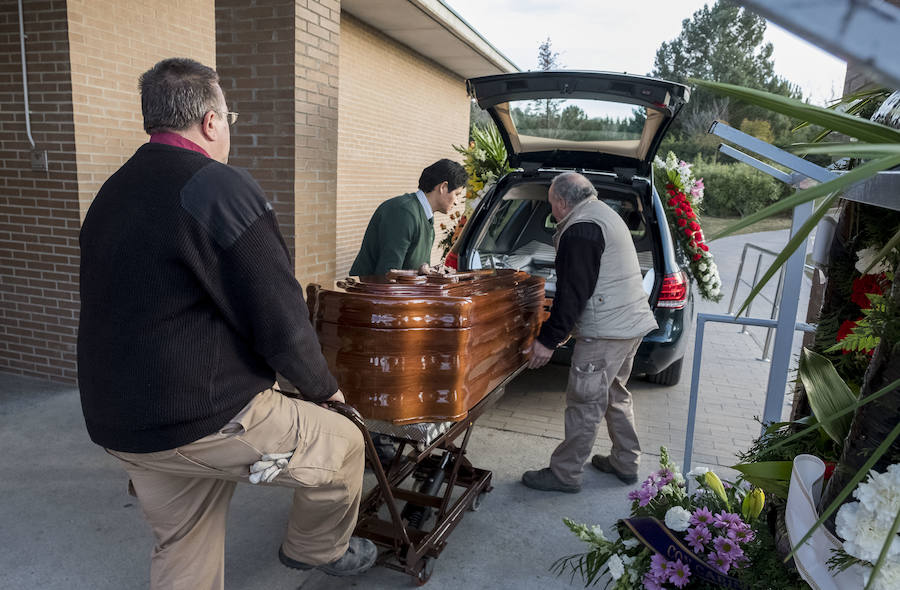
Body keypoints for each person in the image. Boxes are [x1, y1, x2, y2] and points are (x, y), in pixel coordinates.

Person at [77, 58, 376, 589]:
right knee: (346, 444)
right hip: (202, 414)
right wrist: (324, 393)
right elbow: (279, 316)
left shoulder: (112, 192)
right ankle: (317, 549)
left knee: (184, 539)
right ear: (212, 122)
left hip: (119, 420)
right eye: (229, 117)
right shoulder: (217, 186)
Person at [521, 172, 658, 493]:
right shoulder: (602, 214)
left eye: (551, 203)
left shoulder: (580, 229)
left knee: (585, 400)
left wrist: (548, 339)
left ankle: (565, 473)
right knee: (614, 394)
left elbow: (573, 292)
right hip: (629, 325)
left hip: (606, 331)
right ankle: (625, 462)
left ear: (562, 201)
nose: (552, 210)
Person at [349, 159, 467, 276]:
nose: (456, 202)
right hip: (367, 292)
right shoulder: (403, 212)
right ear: (443, 187)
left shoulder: (425, 216)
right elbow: (388, 274)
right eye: (456, 194)